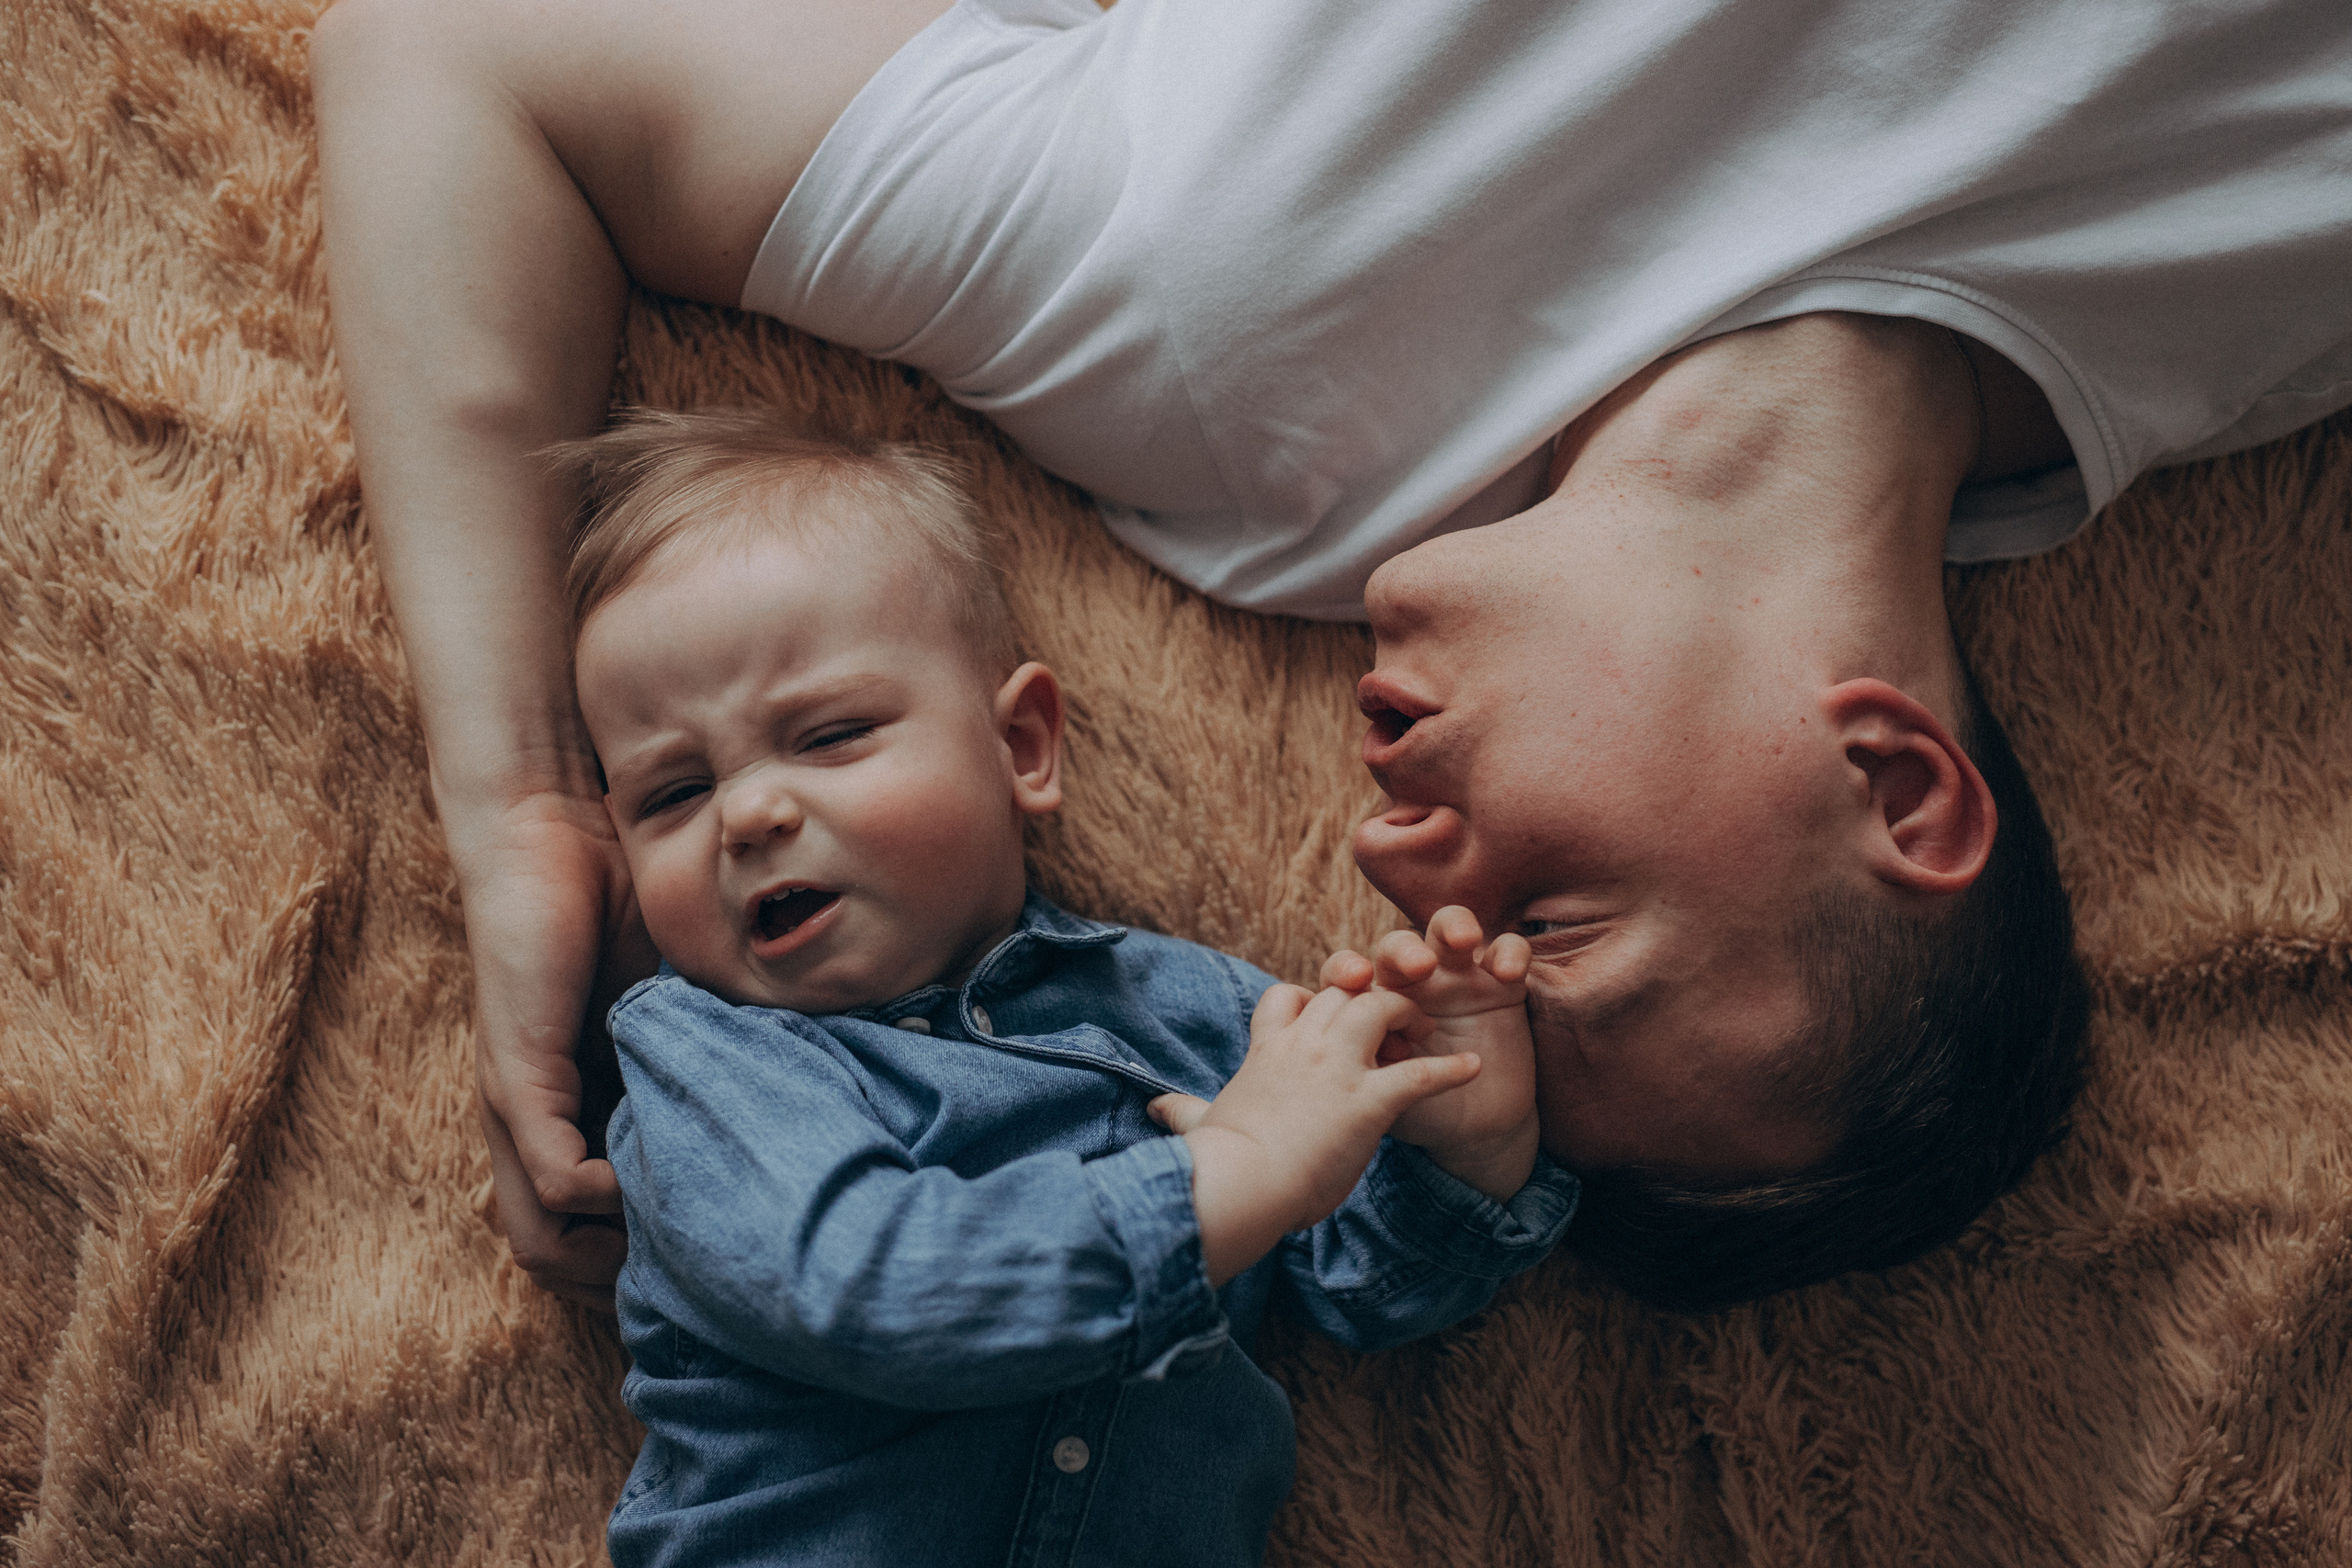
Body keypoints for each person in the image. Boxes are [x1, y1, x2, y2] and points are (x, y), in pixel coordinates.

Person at [309, 0, 2352, 1308]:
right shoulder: (2285, 294)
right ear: (1896, 779)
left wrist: (521, 806)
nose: (1392, 878)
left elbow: (459, 49)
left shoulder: (1237, 401)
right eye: (1550, 916)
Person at [562, 409, 1576, 1565]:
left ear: (1023, 747)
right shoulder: (708, 1065)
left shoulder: (1184, 1011)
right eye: (670, 795)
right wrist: (1237, 1170)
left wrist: (1462, 1156)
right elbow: (871, 1290)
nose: (746, 814)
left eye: (831, 734)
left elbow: (1357, 1288)